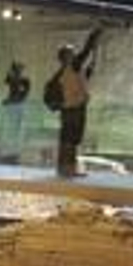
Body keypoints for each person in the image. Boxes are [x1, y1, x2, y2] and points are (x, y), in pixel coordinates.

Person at [54, 26, 103, 177]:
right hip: (74, 109)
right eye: (71, 53)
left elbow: (81, 81)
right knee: (70, 140)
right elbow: (85, 52)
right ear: (66, 57)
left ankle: (65, 169)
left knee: (68, 140)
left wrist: (88, 70)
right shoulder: (72, 67)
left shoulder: (66, 71)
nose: (74, 55)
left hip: (71, 108)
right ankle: (68, 169)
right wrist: (94, 35)